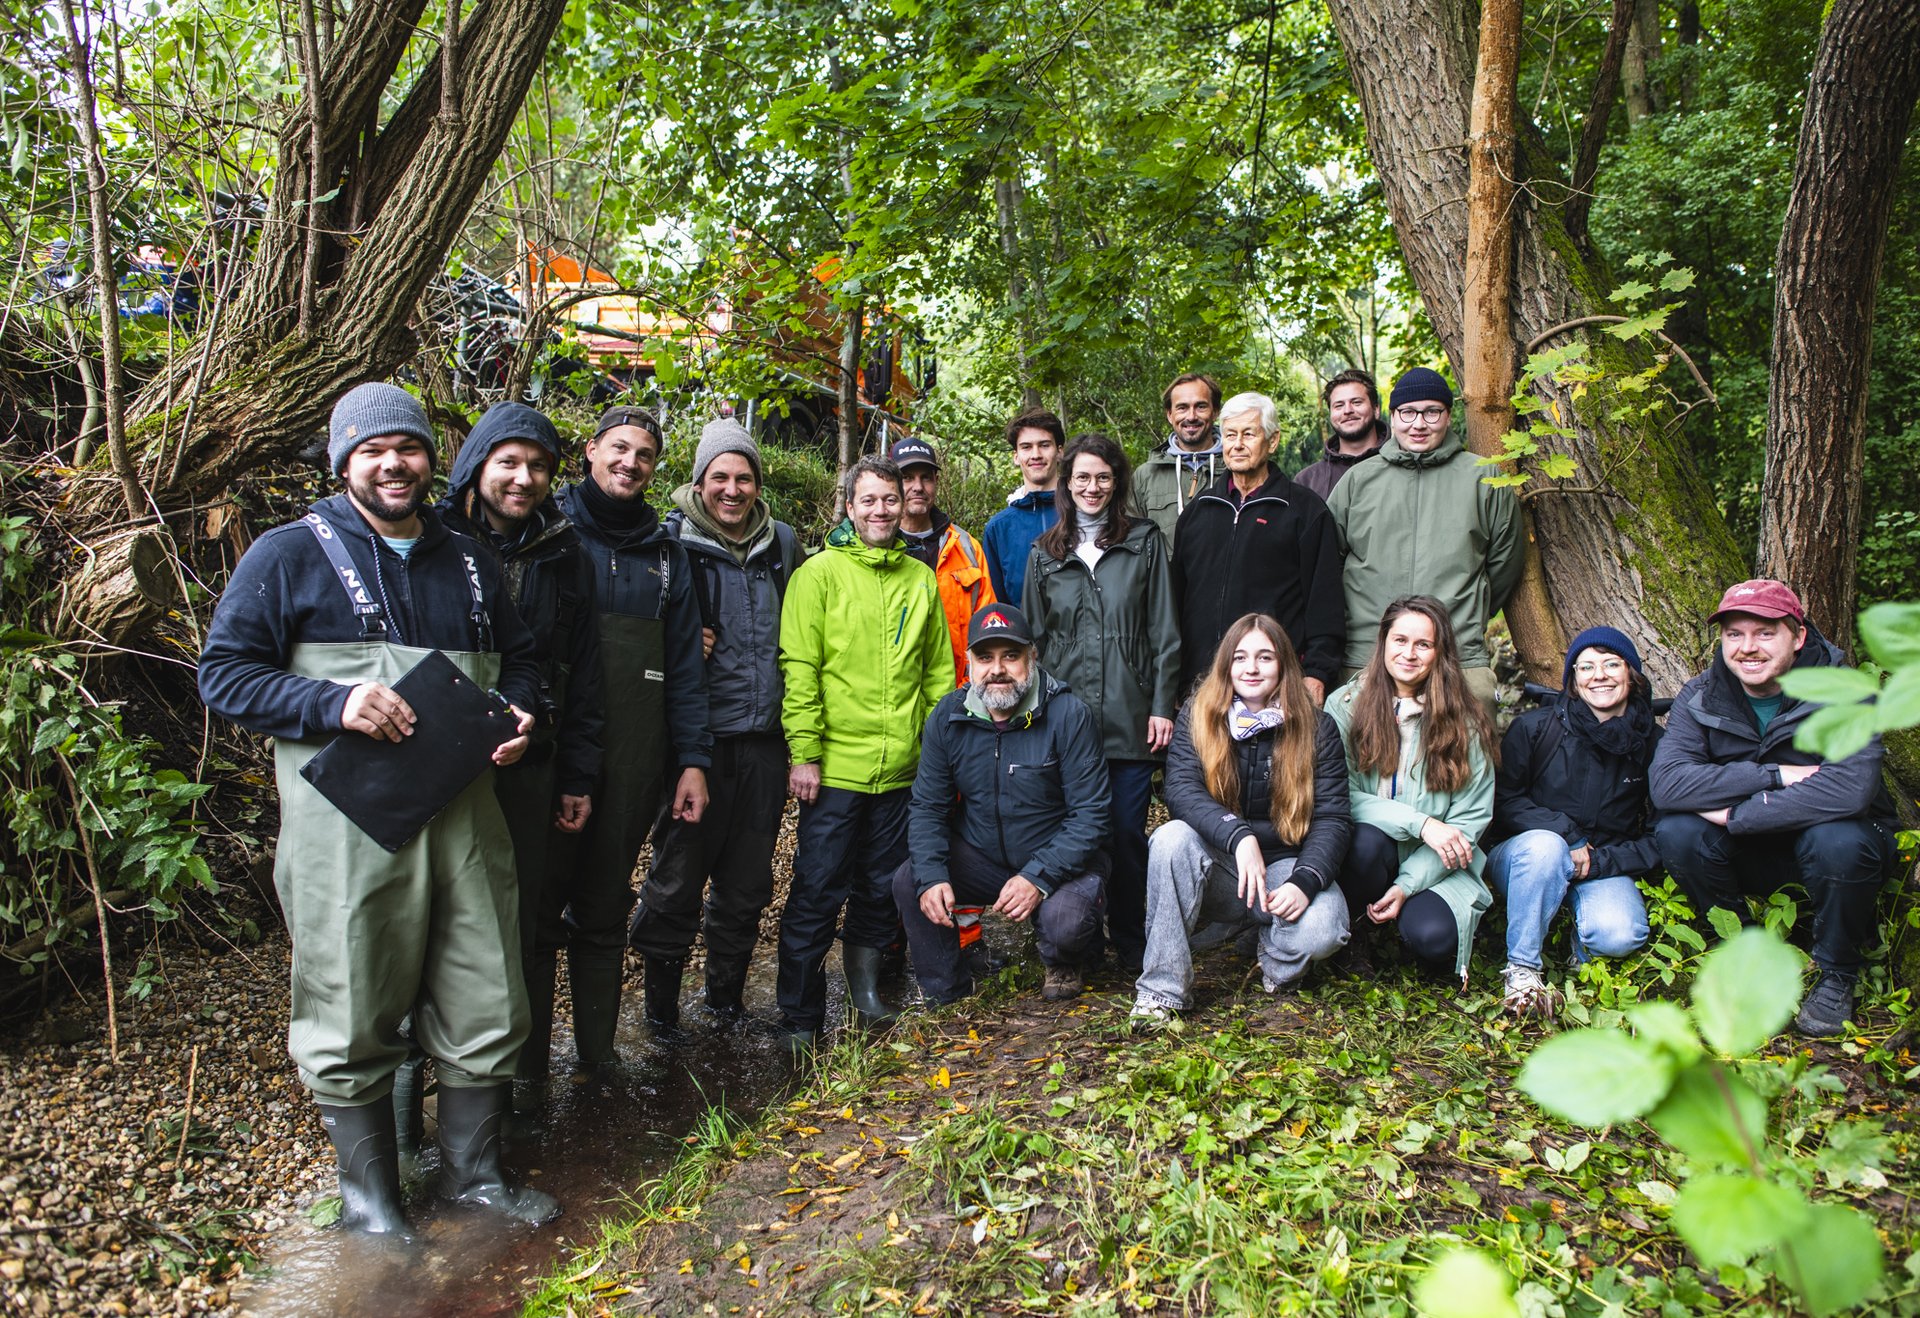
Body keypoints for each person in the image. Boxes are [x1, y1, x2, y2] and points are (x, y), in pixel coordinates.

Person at [198, 382, 559, 1234]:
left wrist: (519, 713)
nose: (394, 464)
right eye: (374, 451)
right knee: (351, 1000)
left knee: (485, 989)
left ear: (433, 460)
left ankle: (475, 1179)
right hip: (345, 830)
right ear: (343, 463)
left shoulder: (469, 560)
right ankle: (371, 1204)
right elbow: (225, 675)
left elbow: (524, 661)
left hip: (467, 818)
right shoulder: (288, 554)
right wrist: (334, 703)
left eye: (409, 448)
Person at [437, 402, 604, 1118]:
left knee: (529, 919)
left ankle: (521, 1086)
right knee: (436, 922)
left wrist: (578, 773)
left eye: (538, 466)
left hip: (533, 761)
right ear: (477, 465)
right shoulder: (432, 538)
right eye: (508, 462)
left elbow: (584, 673)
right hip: (438, 764)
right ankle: (426, 1101)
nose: (523, 478)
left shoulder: (565, 554)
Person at [1650, 579, 1900, 1038]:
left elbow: (1848, 789)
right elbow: (1668, 784)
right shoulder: (1701, 694)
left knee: (1838, 838)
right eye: (1734, 634)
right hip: (1752, 854)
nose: (1747, 648)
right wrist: (1775, 775)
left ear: (1798, 636)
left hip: (1838, 853)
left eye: (1765, 633)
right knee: (1678, 831)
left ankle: (1837, 971)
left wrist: (1738, 815)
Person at [551, 404, 712, 1074]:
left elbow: (686, 671)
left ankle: (597, 1060)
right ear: (590, 450)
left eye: (644, 454)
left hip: (633, 759)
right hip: (546, 753)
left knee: (605, 903)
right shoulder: (549, 531)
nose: (630, 462)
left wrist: (693, 761)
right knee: (531, 912)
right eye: (619, 448)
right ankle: (522, 1075)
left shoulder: (667, 555)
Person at [627, 419, 803, 1028]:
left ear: (758, 484)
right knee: (676, 878)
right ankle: (660, 1017)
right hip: (693, 746)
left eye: (744, 478)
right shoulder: (669, 543)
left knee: (748, 882)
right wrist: (673, 641)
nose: (732, 490)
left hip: (764, 743)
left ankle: (725, 1004)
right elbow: (632, 635)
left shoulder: (782, 545)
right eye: (720, 477)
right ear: (700, 481)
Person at [778, 455, 955, 1049]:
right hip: (834, 770)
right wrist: (804, 752)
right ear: (849, 507)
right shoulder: (818, 574)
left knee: (880, 890)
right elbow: (800, 669)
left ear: (904, 505)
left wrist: (935, 755)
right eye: (869, 500)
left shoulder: (919, 579)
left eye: (890, 499)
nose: (881, 510)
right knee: (816, 891)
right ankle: (800, 1017)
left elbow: (937, 675)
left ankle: (865, 996)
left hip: (901, 772)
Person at [1132, 614, 1352, 1025]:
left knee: (1325, 926)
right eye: (1240, 657)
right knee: (1170, 838)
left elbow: (1333, 818)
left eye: (1265, 657)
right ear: (1226, 665)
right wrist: (1238, 835)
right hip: (1218, 868)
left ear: (1284, 665)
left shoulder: (1318, 727)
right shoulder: (1198, 714)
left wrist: (1304, 881)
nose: (1251, 668)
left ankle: (1273, 956)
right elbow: (1180, 790)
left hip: (1282, 872)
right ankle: (1162, 992)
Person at [893, 604, 1111, 1004]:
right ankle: (946, 993)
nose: (997, 669)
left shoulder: (1068, 714)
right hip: (983, 855)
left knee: (1067, 923)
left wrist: (1037, 878)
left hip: (1058, 860)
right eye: (985, 657)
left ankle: (1067, 958)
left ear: (1032, 657)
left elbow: (1091, 816)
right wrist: (932, 876)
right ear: (969, 663)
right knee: (912, 879)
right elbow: (928, 807)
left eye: (1010, 656)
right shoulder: (948, 716)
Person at [1023, 433, 1180, 974]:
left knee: (1126, 834)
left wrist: (1162, 705)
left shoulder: (1143, 541)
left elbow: (1165, 631)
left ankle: (1133, 942)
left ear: (1117, 482)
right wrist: (1034, 715)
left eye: (1103, 477)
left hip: (1131, 716)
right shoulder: (1044, 554)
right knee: (1070, 833)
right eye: (1083, 477)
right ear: (1067, 483)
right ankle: (1074, 947)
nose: (1092, 487)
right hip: (1065, 721)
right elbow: (1033, 644)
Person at [1326, 367, 1522, 717]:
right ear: (1392, 417)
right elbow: (1327, 560)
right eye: (1408, 413)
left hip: (1457, 650)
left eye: (1432, 412)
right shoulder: (1359, 480)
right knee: (1359, 746)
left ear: (1448, 416)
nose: (1418, 424)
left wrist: (1471, 608)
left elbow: (1505, 561)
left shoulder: (1484, 477)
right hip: (1369, 650)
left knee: (1468, 745)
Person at [1483, 627, 1658, 1017]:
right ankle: (1523, 971)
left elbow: (1659, 835)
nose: (1600, 675)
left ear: (1631, 675)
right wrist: (1568, 835)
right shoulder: (1536, 728)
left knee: (1620, 935)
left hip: (1602, 864)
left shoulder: (1651, 743)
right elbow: (1503, 802)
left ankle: (1579, 944)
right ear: (1573, 680)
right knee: (1548, 847)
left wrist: (1599, 862)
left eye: (1612, 664)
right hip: (1526, 858)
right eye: (1587, 666)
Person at [1327, 596, 1499, 983]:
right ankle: (1355, 931)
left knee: (1433, 938)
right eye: (1400, 640)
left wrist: (1407, 885)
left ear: (1440, 653)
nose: (1409, 653)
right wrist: (1421, 823)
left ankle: (1405, 926)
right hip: (1372, 851)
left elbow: (1470, 819)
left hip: (1438, 862)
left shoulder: (1465, 721)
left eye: (1423, 644)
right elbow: (1338, 795)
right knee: (1364, 844)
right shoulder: (1345, 706)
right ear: (1383, 642)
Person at [1171, 390, 1344, 703]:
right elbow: (1175, 602)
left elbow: (1325, 600)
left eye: (1248, 434)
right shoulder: (1199, 511)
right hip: (1203, 684)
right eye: (1230, 435)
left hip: (1275, 684)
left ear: (1272, 441)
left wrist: (1317, 671)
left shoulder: (1304, 511)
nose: (1237, 444)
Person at [890, 435, 996, 683]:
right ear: (892, 483)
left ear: (936, 482)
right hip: (895, 690)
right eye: (907, 477)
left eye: (926, 477)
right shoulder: (878, 546)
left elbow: (986, 626)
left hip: (958, 689)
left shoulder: (966, 547)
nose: (918, 486)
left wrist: (968, 691)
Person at [980, 409, 1064, 608]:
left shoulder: (1083, 513)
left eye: (1044, 445)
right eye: (1026, 447)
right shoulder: (999, 528)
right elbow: (997, 604)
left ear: (1060, 452)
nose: (1036, 455)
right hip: (1023, 628)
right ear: (1016, 456)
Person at [1134, 373, 1223, 548]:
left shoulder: (1236, 469)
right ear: (1170, 414)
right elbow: (1133, 544)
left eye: (1201, 406)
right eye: (1182, 408)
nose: (1191, 416)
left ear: (1215, 412)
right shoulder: (1146, 475)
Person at [1295, 368, 1387, 501]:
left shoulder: (1404, 467)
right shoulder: (1307, 482)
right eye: (1339, 405)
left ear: (1376, 410)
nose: (1347, 410)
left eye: (1356, 402)